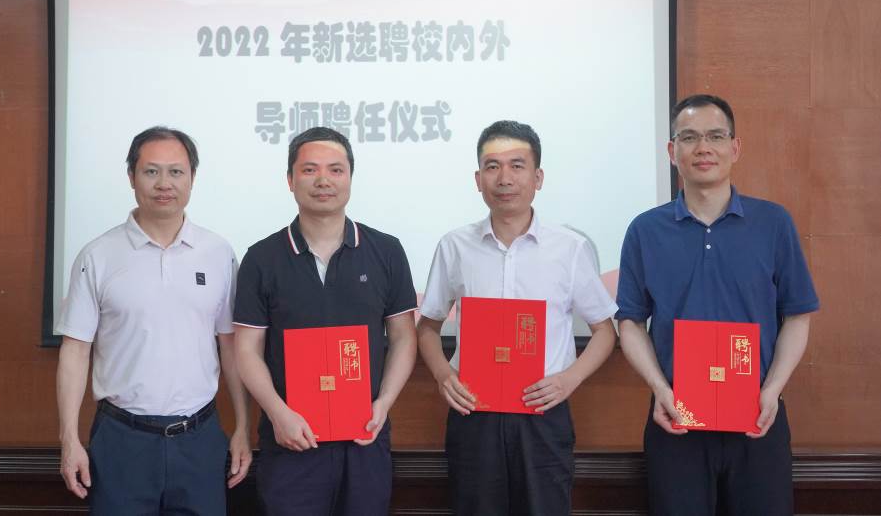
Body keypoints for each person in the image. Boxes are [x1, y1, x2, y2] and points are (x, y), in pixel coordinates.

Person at [616, 94, 820, 516]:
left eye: (715, 136)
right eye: (689, 137)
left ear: (735, 147)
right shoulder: (645, 230)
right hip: (675, 419)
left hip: (757, 417)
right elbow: (631, 322)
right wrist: (660, 389)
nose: (703, 148)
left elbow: (797, 316)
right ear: (672, 151)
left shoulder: (773, 223)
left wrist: (772, 390)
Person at [417, 119, 618, 516]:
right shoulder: (455, 245)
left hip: (542, 411)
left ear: (537, 177)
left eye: (517, 165)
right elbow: (428, 327)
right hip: (474, 411)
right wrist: (443, 375)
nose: (504, 178)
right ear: (478, 179)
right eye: (492, 166)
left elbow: (604, 331)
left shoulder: (570, 248)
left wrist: (569, 379)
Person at [55, 126, 251, 515]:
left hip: (199, 438)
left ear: (192, 178)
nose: (164, 184)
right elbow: (75, 352)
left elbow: (231, 346)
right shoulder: (98, 255)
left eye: (176, 172)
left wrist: (243, 426)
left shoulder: (218, 252)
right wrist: (69, 439)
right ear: (131, 177)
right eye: (151, 171)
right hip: (121, 439)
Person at [233, 126, 418, 516]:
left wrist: (384, 403)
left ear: (350, 177)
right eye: (309, 169)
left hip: (365, 437)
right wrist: (278, 413)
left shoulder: (386, 251)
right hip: (290, 440)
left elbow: (403, 338)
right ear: (290, 180)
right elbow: (246, 349)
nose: (323, 180)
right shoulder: (261, 258)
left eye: (336, 170)